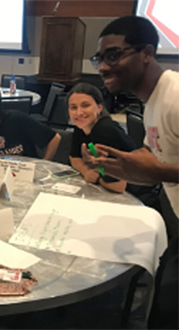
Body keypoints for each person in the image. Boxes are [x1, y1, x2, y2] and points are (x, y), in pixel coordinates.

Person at [80, 16, 179, 330]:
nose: (103, 67)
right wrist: (118, 165)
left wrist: (161, 171)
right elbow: (152, 161)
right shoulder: (152, 103)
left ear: (147, 52)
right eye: (100, 59)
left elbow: (160, 169)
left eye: (113, 55)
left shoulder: (175, 97)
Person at [68, 82, 160, 208]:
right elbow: (74, 158)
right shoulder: (82, 126)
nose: (79, 112)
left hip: (137, 198)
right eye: (73, 107)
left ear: (99, 107)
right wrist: (86, 171)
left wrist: (96, 177)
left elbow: (118, 186)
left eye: (86, 105)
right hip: (115, 192)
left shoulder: (104, 131)